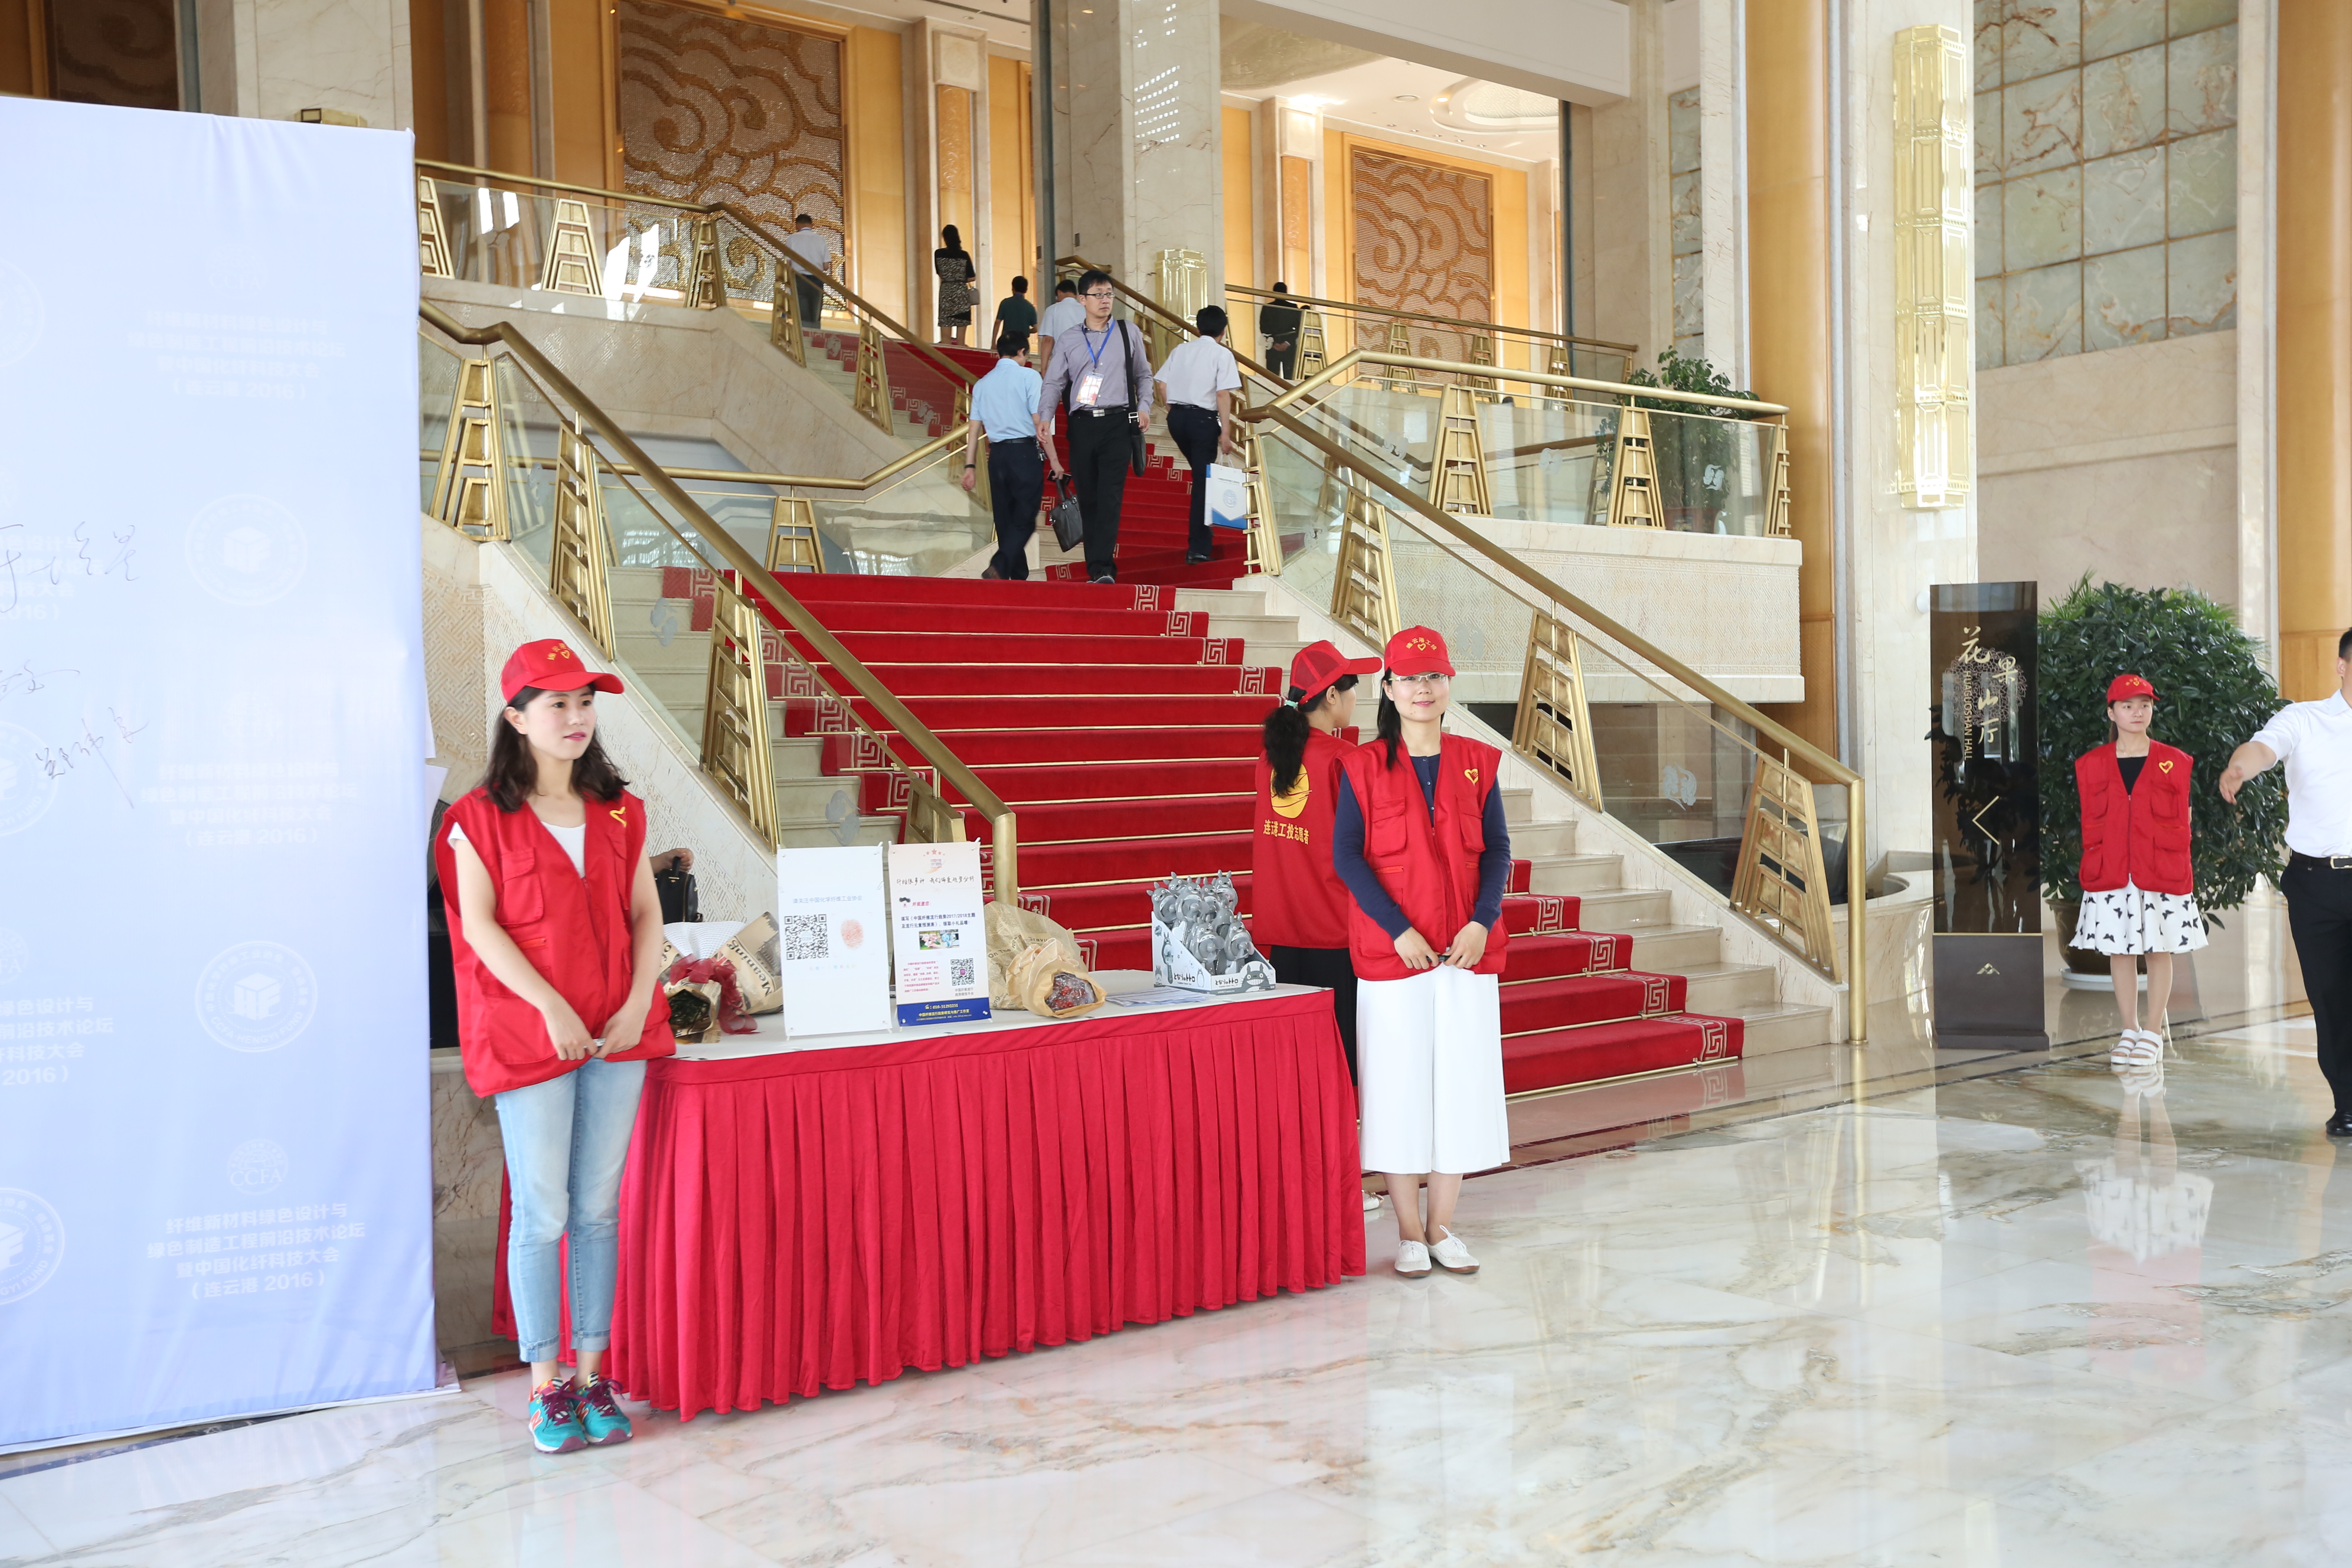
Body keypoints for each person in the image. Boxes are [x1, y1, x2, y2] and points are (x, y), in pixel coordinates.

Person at [434, 638, 674, 1454]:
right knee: (545, 1212)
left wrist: (638, 1002)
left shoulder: (620, 810)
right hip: (531, 1037)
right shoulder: (476, 819)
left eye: (586, 701)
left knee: (598, 1210)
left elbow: (646, 915)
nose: (577, 717)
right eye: (557, 703)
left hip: (619, 1032)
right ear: (516, 717)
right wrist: (550, 1007)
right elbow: (478, 927)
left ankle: (593, 1376)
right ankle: (546, 1387)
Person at [1332, 626, 1512, 1278]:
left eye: (1433, 676)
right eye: (1409, 678)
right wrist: (1397, 930)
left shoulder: (1477, 761)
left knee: (1459, 1087)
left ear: (1447, 684)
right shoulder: (1361, 766)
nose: (1422, 688)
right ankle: (1409, 1233)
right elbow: (1347, 857)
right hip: (1395, 958)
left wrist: (1482, 922)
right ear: (1389, 689)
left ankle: (1442, 1228)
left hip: (1465, 952)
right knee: (1398, 1088)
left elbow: (1497, 851)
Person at [1256, 641, 1386, 1213]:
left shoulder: (1270, 757)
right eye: (1352, 688)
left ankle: (1300, 1182)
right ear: (1332, 696)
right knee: (1341, 1069)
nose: (1357, 698)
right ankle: (1339, 1187)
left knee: (1299, 1070)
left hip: (1283, 937)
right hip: (1336, 936)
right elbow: (1368, 850)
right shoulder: (1342, 760)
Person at [2221, 626, 2352, 1136]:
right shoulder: (2305, 719)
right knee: (2331, 998)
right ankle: (2348, 1104)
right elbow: (2264, 748)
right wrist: (2240, 768)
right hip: (2316, 884)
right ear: (2341, 666)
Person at [2074, 673, 2206, 1067]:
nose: (2137, 713)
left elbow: (2185, 818)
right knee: (2119, 950)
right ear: (2111, 713)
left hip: (2159, 869)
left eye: (2145, 705)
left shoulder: (2174, 761)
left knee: (2158, 949)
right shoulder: (2091, 764)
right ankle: (2129, 1029)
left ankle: (2152, 1031)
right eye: (2128, 706)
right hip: (2112, 868)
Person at [1035, 267, 1149, 584]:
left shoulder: (1128, 332)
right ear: (1082, 300)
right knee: (1089, 498)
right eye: (1098, 295)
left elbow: (1144, 375)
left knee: (1110, 496)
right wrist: (1045, 416)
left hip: (1118, 424)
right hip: (1083, 426)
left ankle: (1103, 569)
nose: (1105, 300)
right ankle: (1096, 565)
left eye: (1109, 294)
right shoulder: (1070, 339)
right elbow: (1054, 382)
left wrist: (1144, 407)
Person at [1154, 305, 1244, 564]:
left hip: (1177, 419)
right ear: (1223, 331)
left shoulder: (1181, 350)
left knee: (1200, 476)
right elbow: (1222, 394)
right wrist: (1226, 432)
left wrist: (1173, 411)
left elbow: (1162, 385)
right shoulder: (1222, 354)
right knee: (1203, 483)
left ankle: (1203, 536)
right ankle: (1198, 548)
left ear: (1198, 328)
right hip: (1203, 421)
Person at [961, 331, 1045, 580]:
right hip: (1024, 453)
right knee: (1025, 518)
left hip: (996, 456)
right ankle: (998, 565)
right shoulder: (1030, 376)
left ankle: (1017, 578)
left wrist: (970, 466)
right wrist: (1053, 456)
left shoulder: (982, 384)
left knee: (1006, 519)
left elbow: (974, 429)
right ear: (1022, 352)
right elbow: (1038, 420)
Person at [782, 214, 834, 330]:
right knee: (815, 313)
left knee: (800, 311)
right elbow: (826, 266)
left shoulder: (792, 238)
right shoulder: (821, 240)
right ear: (812, 225)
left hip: (799, 278)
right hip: (817, 280)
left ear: (797, 225)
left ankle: (799, 335)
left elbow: (788, 263)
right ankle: (813, 334)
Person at [934, 225, 976, 345]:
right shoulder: (964, 255)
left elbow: (940, 273)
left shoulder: (939, 254)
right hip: (961, 295)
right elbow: (973, 277)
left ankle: (946, 356)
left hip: (946, 293)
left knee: (945, 336)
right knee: (961, 339)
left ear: (945, 238)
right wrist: (960, 279)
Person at [1259, 281, 1303, 381]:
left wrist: (1274, 344)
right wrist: (1287, 343)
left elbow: (1264, 329)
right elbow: (1299, 329)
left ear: (1273, 292)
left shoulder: (1267, 308)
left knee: (1272, 379)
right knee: (1290, 379)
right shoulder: (1293, 307)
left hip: (1272, 344)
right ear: (1286, 293)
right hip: (1289, 346)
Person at [1037, 275, 1083, 365]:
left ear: (1059, 293)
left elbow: (1048, 340)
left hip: (1062, 360)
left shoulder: (1052, 309)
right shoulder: (1087, 310)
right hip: (1084, 360)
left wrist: (1044, 368)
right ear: (1076, 295)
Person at [993, 275, 1038, 355]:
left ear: (1013, 288)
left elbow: (997, 322)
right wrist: (1028, 330)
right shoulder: (1030, 307)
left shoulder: (1005, 303)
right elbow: (1036, 329)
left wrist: (993, 343)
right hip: (1023, 342)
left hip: (1007, 340)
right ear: (1026, 290)